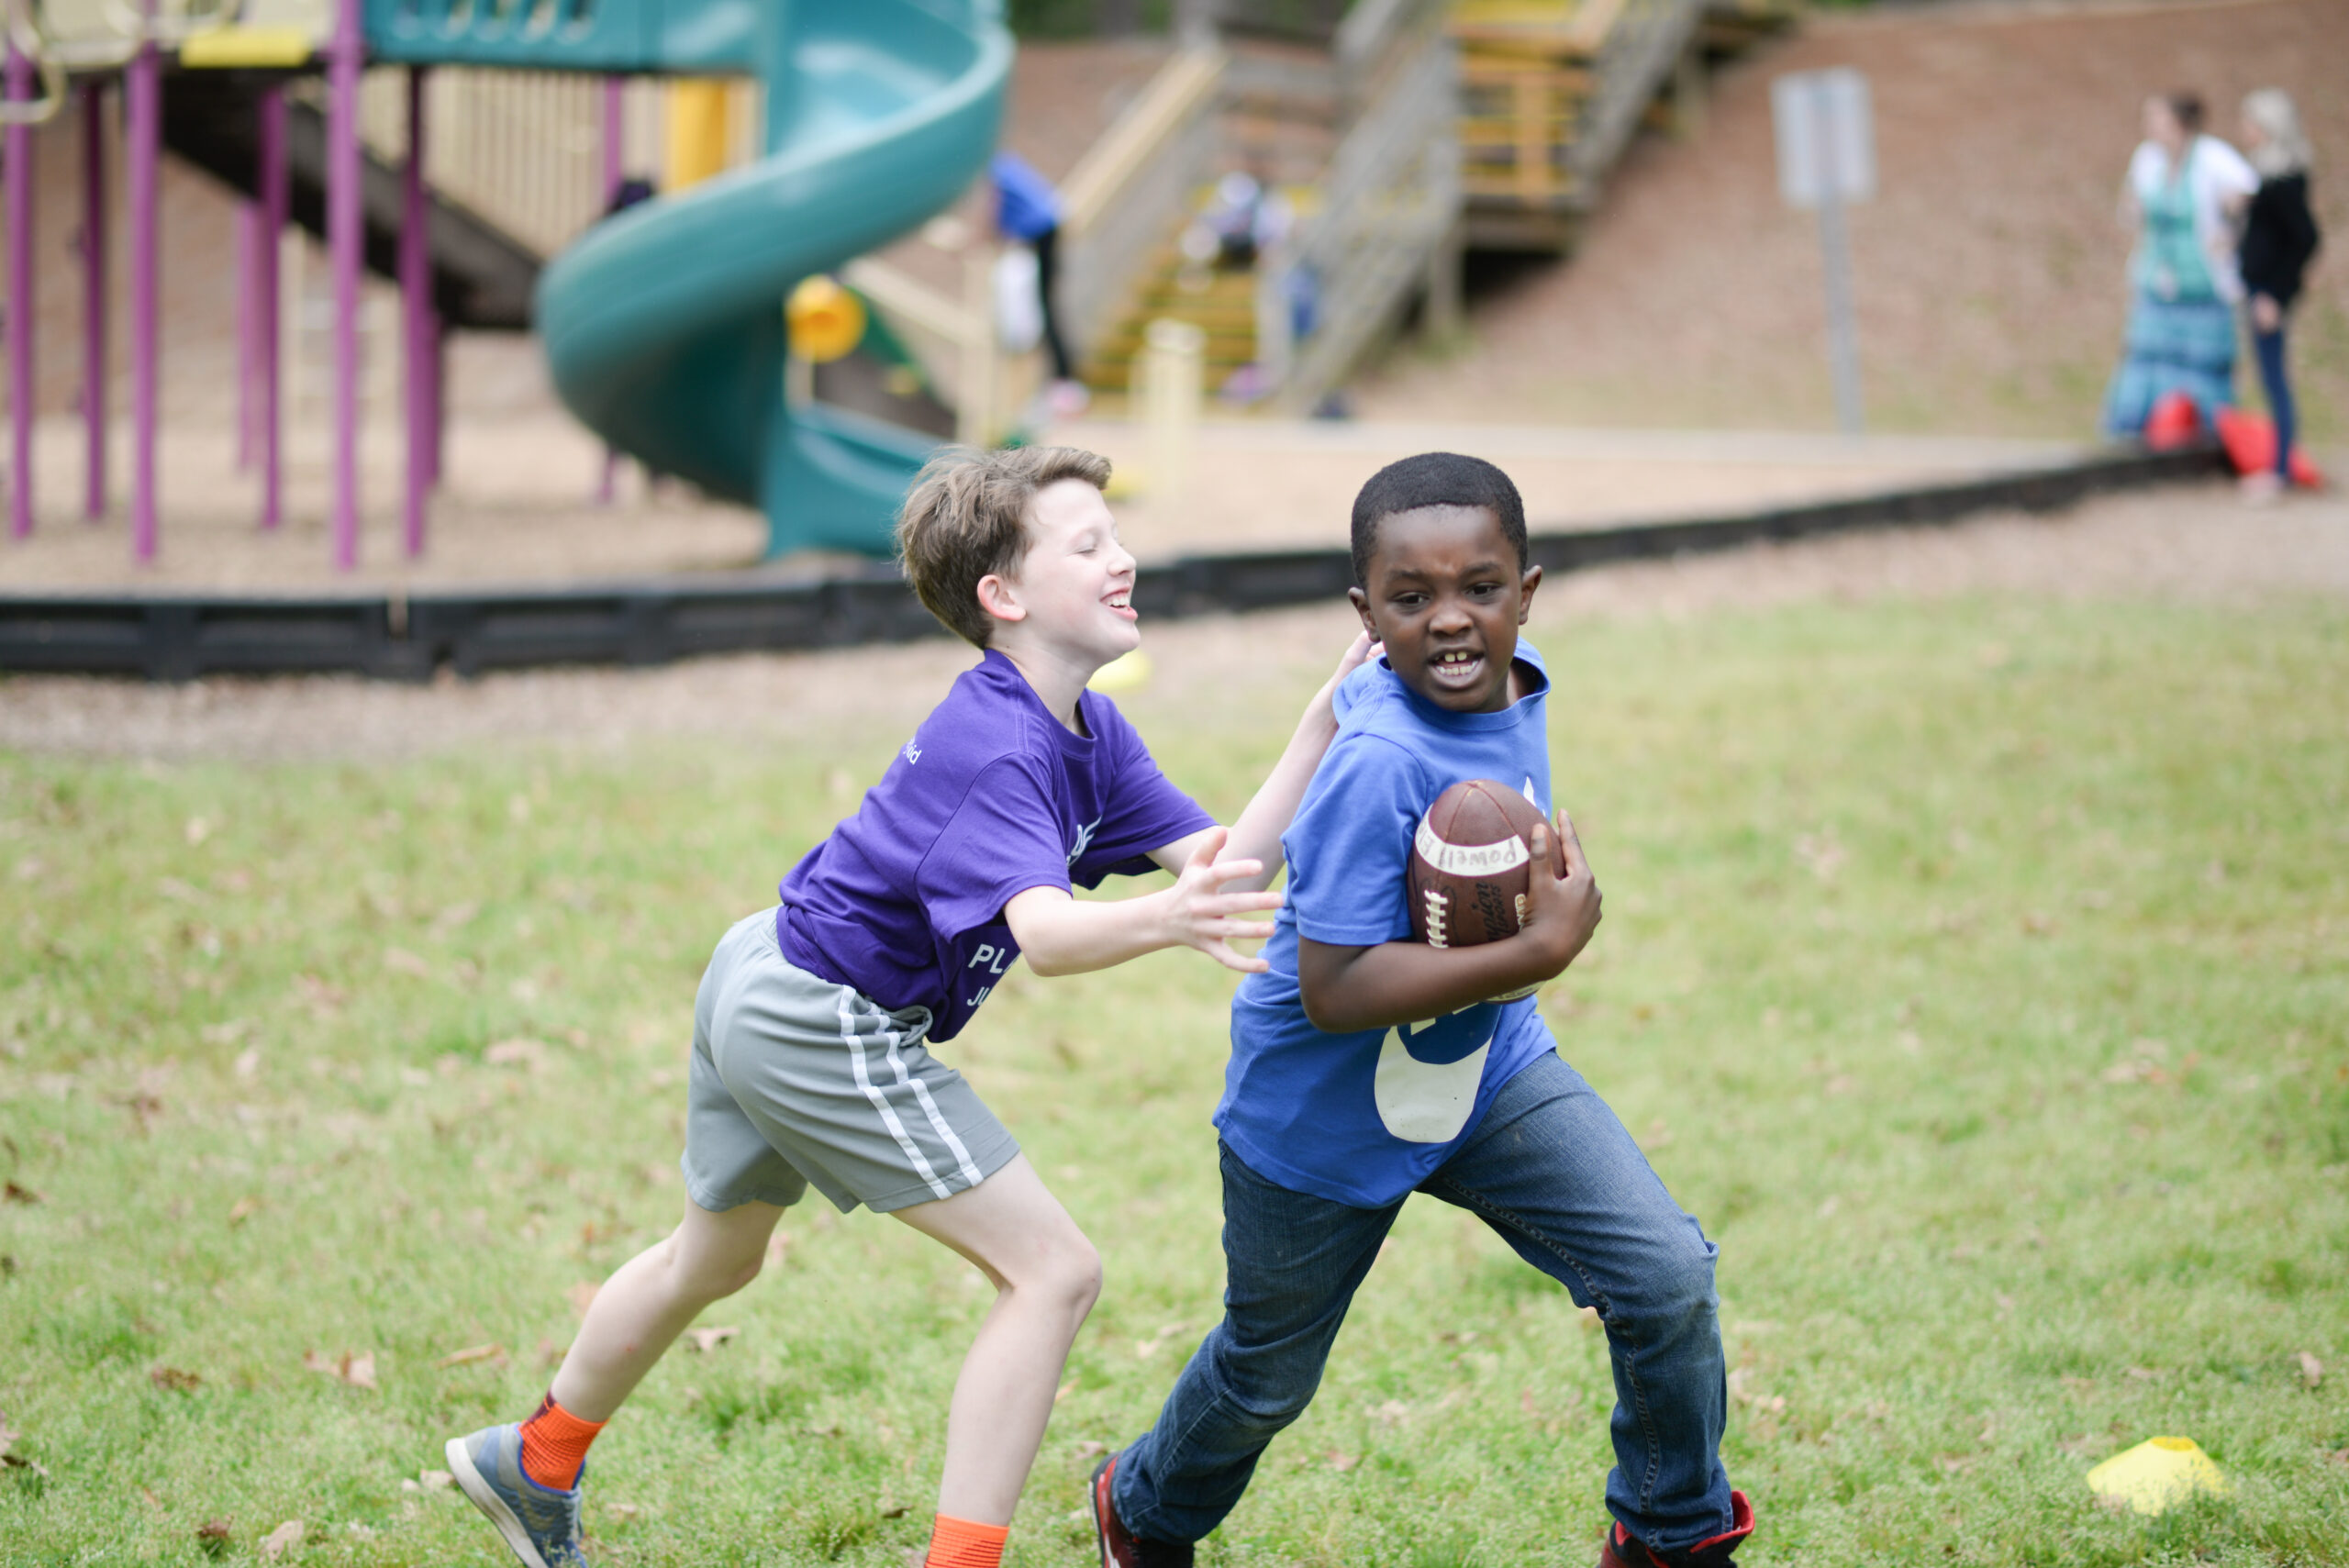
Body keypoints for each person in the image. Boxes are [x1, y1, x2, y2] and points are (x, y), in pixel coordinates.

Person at [443, 444, 1373, 1568]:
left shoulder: (1086, 728)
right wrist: (1169, 920)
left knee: (716, 1258)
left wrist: (1319, 724)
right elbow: (1046, 936)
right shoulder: (1000, 744)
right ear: (1005, 596)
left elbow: (1221, 861)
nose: (1125, 561)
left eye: (1116, 537)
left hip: (764, 967)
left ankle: (533, 1457)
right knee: (1054, 1271)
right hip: (817, 1014)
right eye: (1090, 546)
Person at [1090, 453, 1753, 1568]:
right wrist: (1541, 946)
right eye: (1411, 598)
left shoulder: (1521, 681)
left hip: (1482, 1070)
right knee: (1264, 1377)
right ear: (1366, 610)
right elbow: (1334, 988)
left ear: (1526, 593)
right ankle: (1142, 1507)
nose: (1451, 622)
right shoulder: (1376, 761)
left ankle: (1670, 1532)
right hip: (1321, 1117)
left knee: (1665, 1275)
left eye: (1479, 588)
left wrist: (1518, 952)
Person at [2101, 93, 2259, 437]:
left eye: (2156, 118)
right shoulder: (2147, 158)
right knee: (2146, 357)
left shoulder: (2212, 156)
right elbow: (2132, 201)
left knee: (2200, 362)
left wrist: (2232, 230)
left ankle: (2202, 432)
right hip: (2157, 278)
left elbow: (2249, 194)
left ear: (2179, 123)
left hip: (2202, 281)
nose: (2149, 126)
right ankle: (2139, 430)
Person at [2235, 88, 2322, 503]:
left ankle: (2281, 469)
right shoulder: (2265, 172)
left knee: (2275, 380)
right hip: (2257, 287)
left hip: (2268, 293)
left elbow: (2304, 238)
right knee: (2268, 378)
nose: (2245, 129)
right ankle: (2278, 464)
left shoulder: (2285, 177)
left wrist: (2275, 293)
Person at [990, 150, 1089, 417]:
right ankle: (1061, 382)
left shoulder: (990, 167)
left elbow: (990, 210)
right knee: (1041, 307)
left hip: (1041, 232)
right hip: (1043, 228)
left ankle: (1064, 382)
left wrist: (982, 240)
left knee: (1043, 307)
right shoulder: (1002, 162)